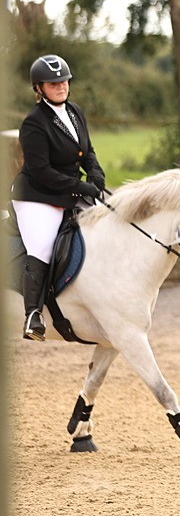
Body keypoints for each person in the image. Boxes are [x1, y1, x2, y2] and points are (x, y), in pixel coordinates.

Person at [11, 54, 106, 340]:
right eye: (53, 83)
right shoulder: (34, 123)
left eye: (64, 81)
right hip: (37, 197)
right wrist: (81, 187)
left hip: (70, 191)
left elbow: (87, 151)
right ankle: (33, 315)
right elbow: (41, 171)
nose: (61, 86)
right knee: (42, 247)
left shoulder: (74, 111)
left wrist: (95, 174)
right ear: (38, 88)